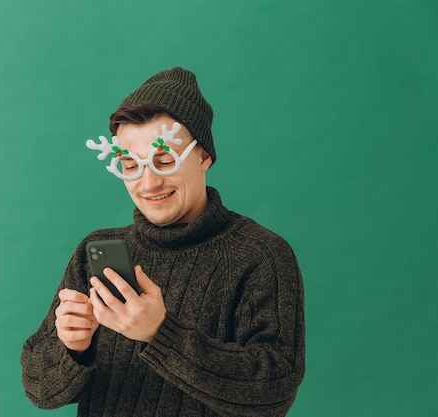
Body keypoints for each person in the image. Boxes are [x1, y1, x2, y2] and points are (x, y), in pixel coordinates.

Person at [21, 67, 305, 417]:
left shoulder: (259, 255)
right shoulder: (95, 252)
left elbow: (274, 391)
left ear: (203, 157)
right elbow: (39, 391)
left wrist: (160, 333)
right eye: (130, 164)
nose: (149, 183)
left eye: (165, 160)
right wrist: (73, 349)